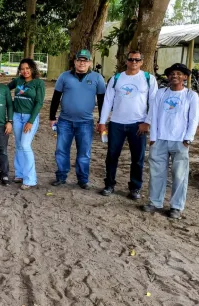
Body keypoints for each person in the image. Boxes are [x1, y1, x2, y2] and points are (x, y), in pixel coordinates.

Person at [98, 51, 158, 200]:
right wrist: (102, 122)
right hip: (117, 123)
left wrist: (147, 122)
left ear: (142, 61)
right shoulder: (117, 78)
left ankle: (135, 188)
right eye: (131, 59)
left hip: (138, 124)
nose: (134, 62)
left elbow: (154, 102)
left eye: (137, 59)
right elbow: (107, 101)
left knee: (137, 158)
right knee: (112, 155)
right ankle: (109, 184)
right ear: (126, 61)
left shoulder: (148, 79)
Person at [143, 63, 198, 219]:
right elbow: (154, 114)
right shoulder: (161, 93)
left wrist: (188, 139)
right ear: (168, 77)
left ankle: (176, 206)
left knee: (180, 175)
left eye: (179, 74)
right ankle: (155, 202)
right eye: (172, 73)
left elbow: (193, 119)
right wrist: (152, 138)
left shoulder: (191, 96)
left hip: (180, 141)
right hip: (160, 139)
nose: (175, 76)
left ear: (185, 77)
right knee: (156, 173)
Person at [49, 49, 106, 189]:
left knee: (84, 152)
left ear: (90, 63)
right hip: (64, 121)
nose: (82, 63)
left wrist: (101, 121)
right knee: (61, 150)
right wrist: (52, 117)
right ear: (75, 62)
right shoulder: (64, 76)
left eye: (85, 60)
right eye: (79, 60)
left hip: (85, 122)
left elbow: (102, 100)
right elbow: (56, 97)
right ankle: (61, 176)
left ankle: (82, 179)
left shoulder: (97, 78)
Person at [8, 58, 45, 189]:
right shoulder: (18, 81)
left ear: (33, 69)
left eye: (27, 68)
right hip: (17, 116)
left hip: (30, 117)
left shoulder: (38, 83)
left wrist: (30, 121)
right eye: (22, 69)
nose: (25, 71)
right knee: (18, 145)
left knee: (25, 145)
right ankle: (19, 174)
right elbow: (6, 90)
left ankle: (30, 179)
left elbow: (39, 103)